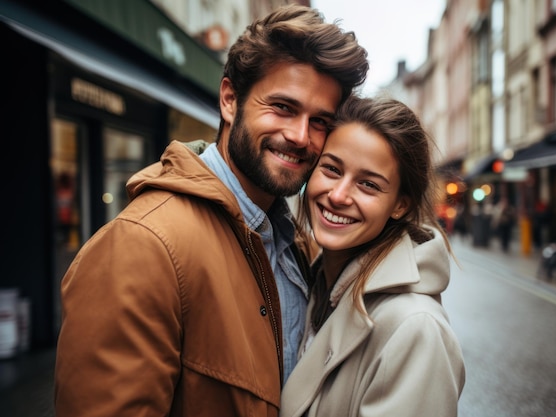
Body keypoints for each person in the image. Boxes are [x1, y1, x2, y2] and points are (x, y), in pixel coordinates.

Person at [54, 5, 368, 417]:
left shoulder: (296, 245)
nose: (300, 136)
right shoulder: (142, 245)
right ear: (230, 100)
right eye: (283, 108)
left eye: (320, 121)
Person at [281, 96, 465, 417]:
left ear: (400, 205)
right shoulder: (319, 285)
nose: (338, 196)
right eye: (331, 169)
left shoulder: (416, 330)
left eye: (368, 184)